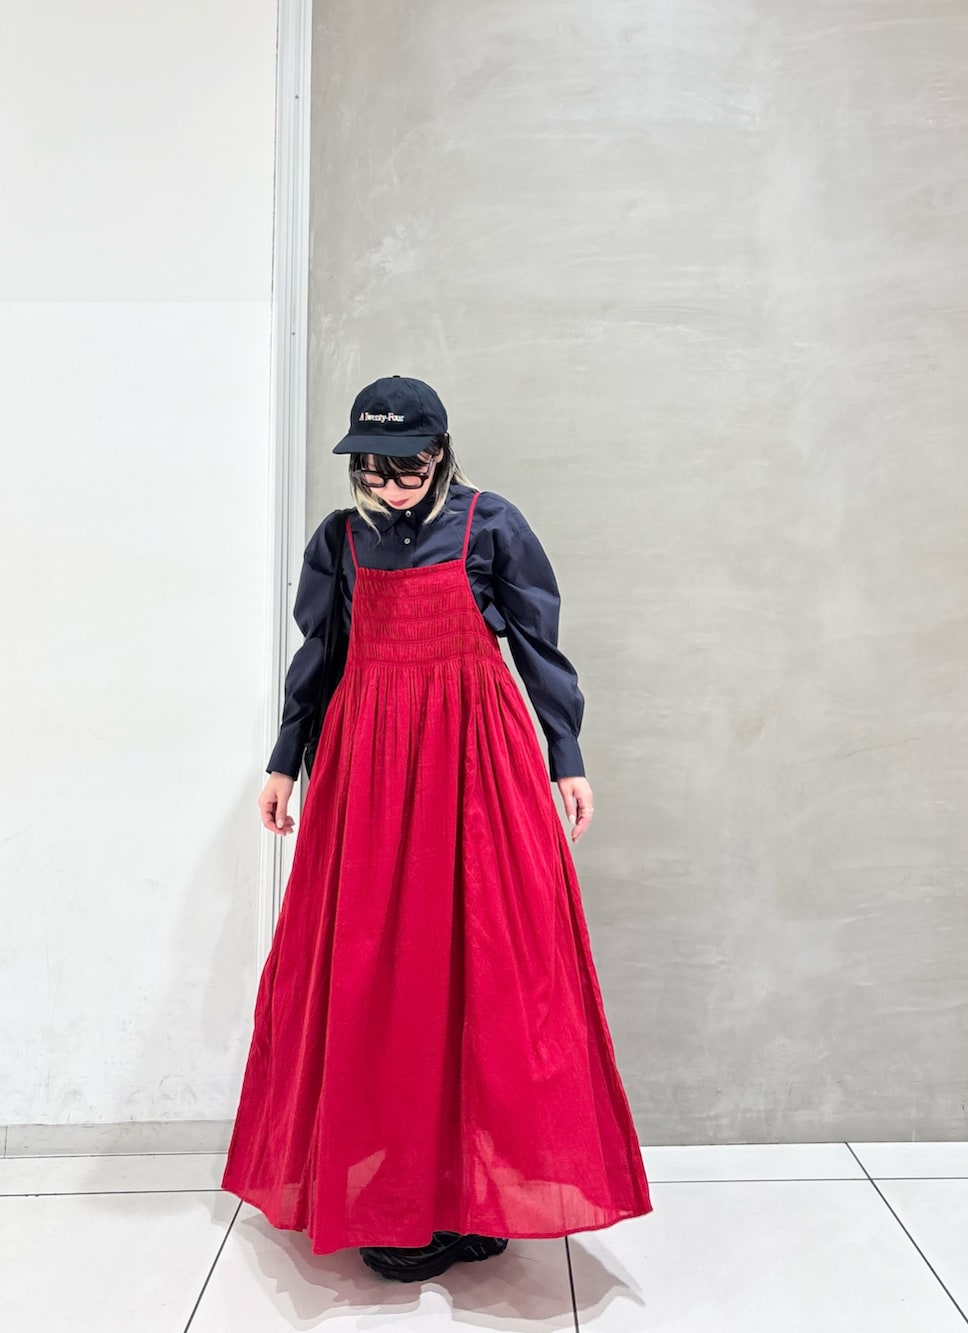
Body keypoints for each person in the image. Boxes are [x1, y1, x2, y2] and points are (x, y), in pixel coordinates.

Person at [221, 375, 652, 1283]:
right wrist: (284, 760)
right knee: (383, 976)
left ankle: (470, 1193)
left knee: (486, 965)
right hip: (371, 769)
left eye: (406, 468)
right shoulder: (340, 540)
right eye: (371, 470)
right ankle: (396, 1199)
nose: (388, 485)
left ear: (442, 451)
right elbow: (320, 656)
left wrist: (566, 754)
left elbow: (537, 645)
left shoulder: (491, 525)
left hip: (475, 762)